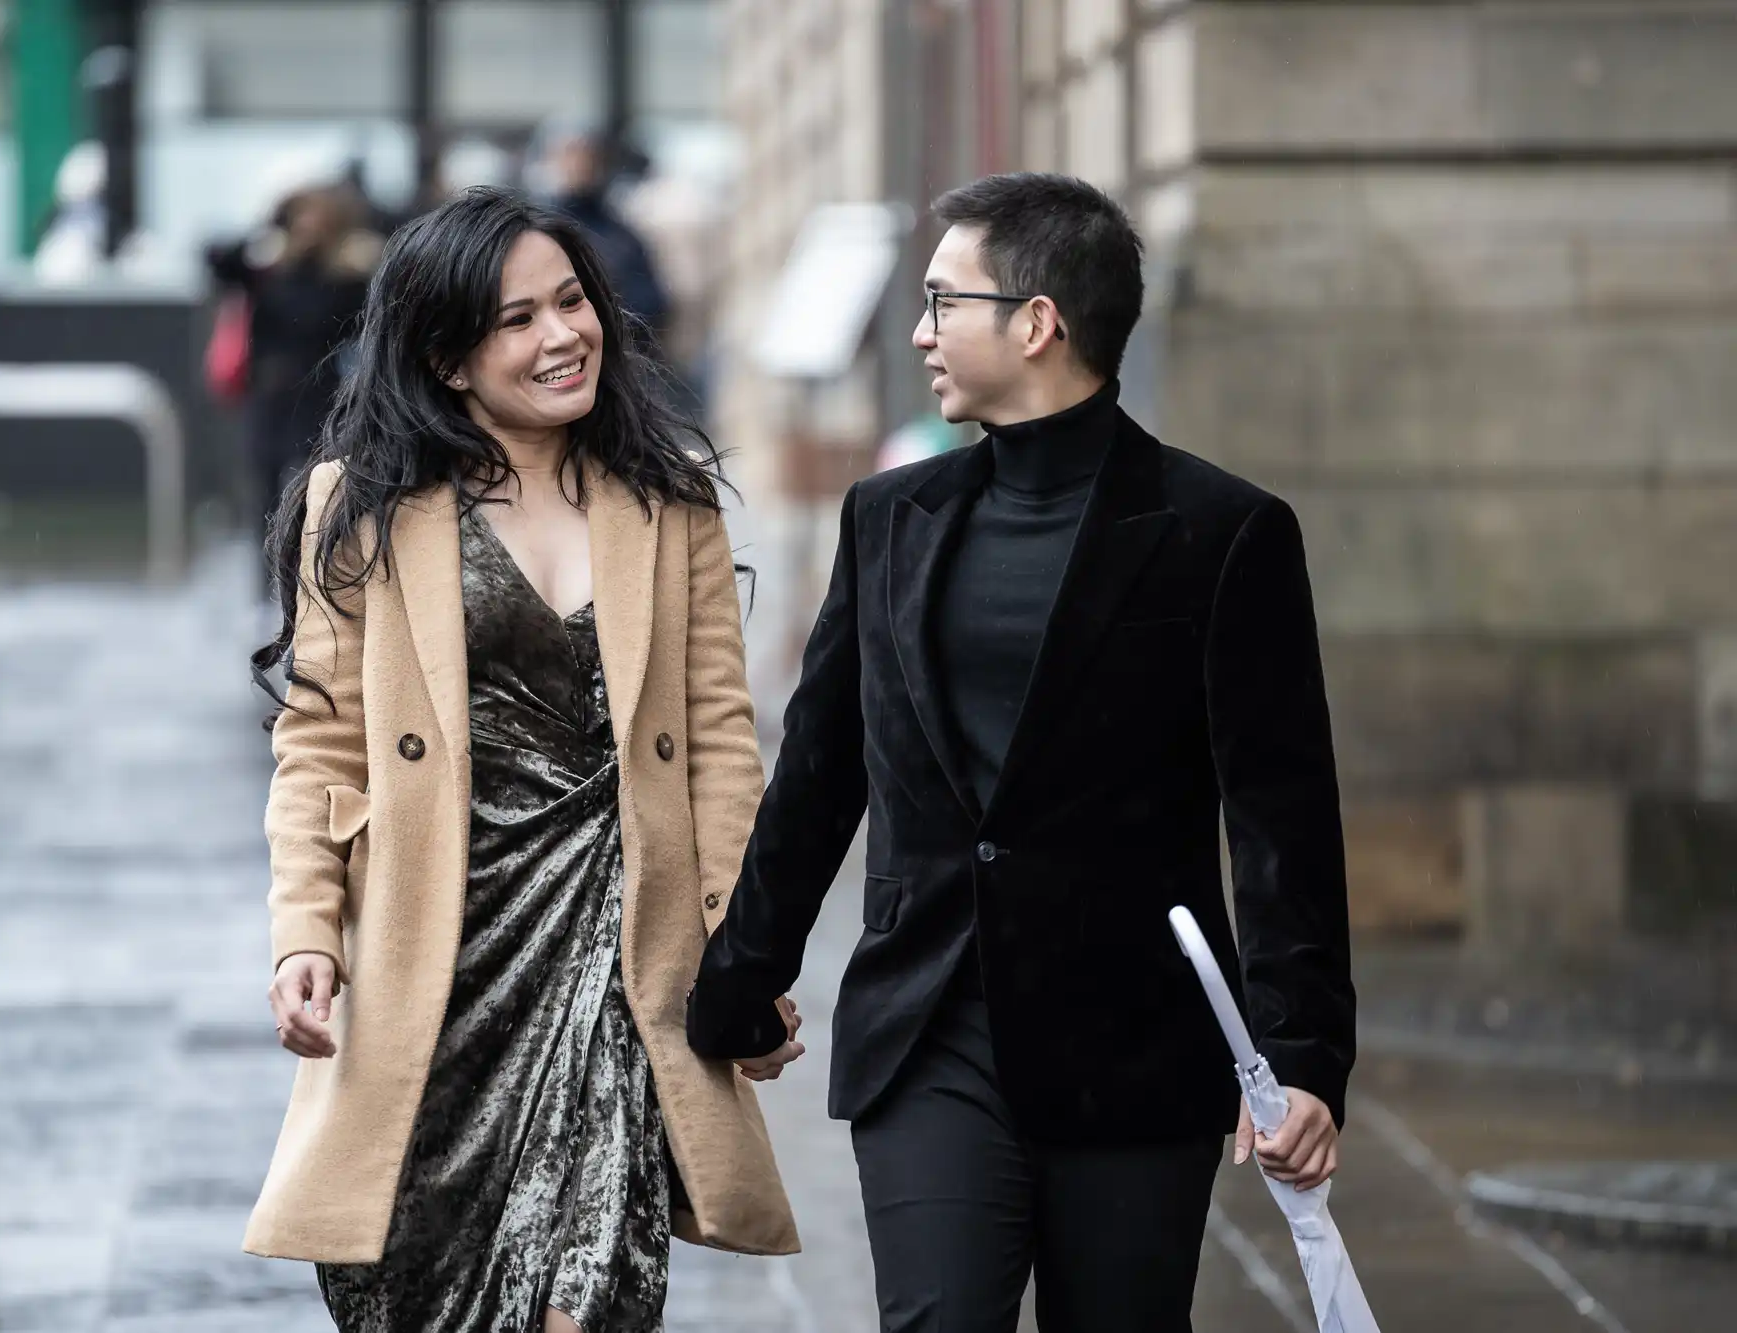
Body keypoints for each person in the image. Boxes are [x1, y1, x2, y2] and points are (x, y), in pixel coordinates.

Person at [687, 172, 1356, 1331]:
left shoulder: (1220, 531)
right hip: (929, 1026)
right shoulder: (888, 516)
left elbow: (1278, 811)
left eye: (944, 301)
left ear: (1036, 321)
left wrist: (1300, 1055)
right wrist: (738, 982)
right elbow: (819, 769)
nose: (918, 330)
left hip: (1134, 1048)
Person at [242, 186, 801, 1333]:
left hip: (614, 959)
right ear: (446, 355)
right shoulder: (360, 508)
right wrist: (306, 931)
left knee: (584, 1306)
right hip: (433, 962)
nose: (562, 335)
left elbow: (717, 744)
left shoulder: (669, 496)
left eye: (571, 302)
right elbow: (318, 739)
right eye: (517, 320)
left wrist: (747, 952)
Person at [205, 178, 385, 540]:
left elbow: (339, 323)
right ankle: (265, 576)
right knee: (264, 483)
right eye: (298, 217)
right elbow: (217, 260)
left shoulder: (344, 275)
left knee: (319, 484)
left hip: (321, 391)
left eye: (316, 218)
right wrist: (263, 233)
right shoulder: (267, 267)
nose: (307, 226)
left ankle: (311, 563)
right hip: (269, 390)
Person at [533, 124, 672, 354]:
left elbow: (652, 303)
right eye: (571, 155)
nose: (579, 165)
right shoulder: (536, 228)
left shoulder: (621, 234)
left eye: (587, 156)